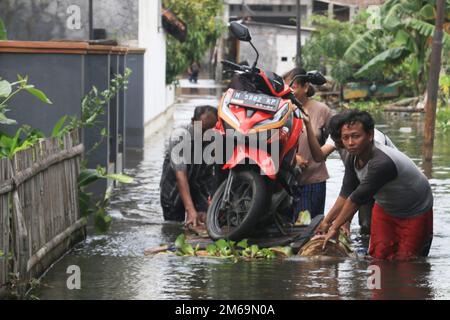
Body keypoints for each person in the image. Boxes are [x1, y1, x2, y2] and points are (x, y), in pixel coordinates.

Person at [315, 110, 433, 261]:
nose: (350, 143)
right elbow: (346, 192)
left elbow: (357, 199)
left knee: (407, 262)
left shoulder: (382, 162)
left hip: (415, 209)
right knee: (378, 257)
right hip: (386, 207)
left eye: (356, 136)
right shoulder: (353, 156)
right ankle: (379, 284)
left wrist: (334, 227)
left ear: (370, 135)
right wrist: (325, 223)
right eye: (345, 138)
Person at [303, 109, 396, 234]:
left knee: (374, 224)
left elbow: (358, 193)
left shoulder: (372, 142)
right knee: (366, 225)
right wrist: (308, 126)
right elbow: (319, 156)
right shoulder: (341, 136)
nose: (349, 144)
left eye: (353, 137)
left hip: (385, 184)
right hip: (362, 180)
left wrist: (342, 221)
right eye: (343, 139)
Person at [283, 67, 332, 221]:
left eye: (293, 87)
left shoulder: (322, 110)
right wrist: (291, 158)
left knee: (309, 227)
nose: (288, 91)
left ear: (305, 87)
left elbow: (336, 139)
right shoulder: (281, 109)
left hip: (312, 179)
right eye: (285, 87)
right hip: (285, 181)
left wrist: (321, 153)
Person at [160, 105, 218, 228]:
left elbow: (211, 174)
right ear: (193, 121)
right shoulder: (179, 137)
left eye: (210, 129)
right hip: (173, 191)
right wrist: (190, 210)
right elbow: (181, 176)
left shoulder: (215, 139)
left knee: (203, 221)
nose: (205, 134)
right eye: (202, 129)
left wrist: (208, 204)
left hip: (198, 188)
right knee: (174, 227)